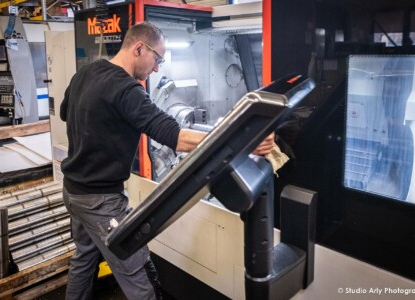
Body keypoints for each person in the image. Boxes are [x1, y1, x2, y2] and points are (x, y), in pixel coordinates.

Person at [60, 21, 274, 300]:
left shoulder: (86, 73)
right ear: (139, 48)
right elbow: (174, 136)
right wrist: (244, 142)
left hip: (73, 190)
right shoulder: (127, 90)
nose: (158, 68)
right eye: (157, 58)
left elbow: (66, 112)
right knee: (138, 275)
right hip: (101, 201)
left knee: (84, 259)